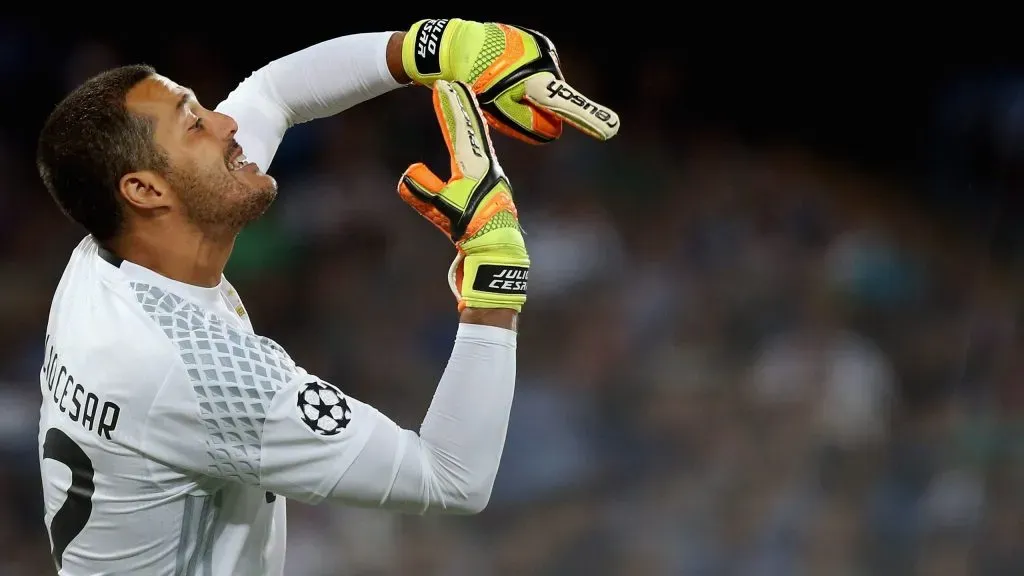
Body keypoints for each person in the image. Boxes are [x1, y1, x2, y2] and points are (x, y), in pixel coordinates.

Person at [34, 21, 618, 575]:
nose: (227, 123)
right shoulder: (193, 372)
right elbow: (451, 478)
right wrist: (496, 277)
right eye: (194, 125)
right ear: (144, 190)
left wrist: (438, 46)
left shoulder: (102, 259)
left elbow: (275, 93)